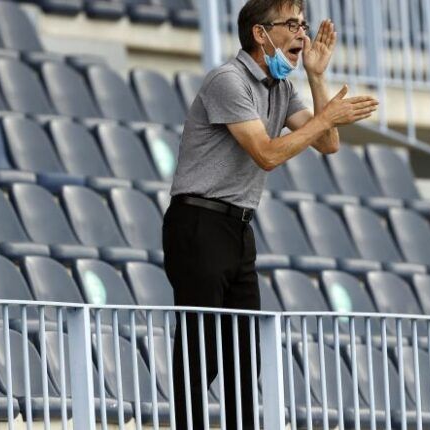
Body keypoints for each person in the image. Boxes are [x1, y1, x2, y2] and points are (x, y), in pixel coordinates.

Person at [162, 0, 378, 428]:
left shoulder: (281, 88)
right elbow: (266, 153)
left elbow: (327, 143)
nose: (302, 34)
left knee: (244, 354)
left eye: (303, 24)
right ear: (261, 35)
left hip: (239, 226)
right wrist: (328, 115)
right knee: (200, 351)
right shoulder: (228, 80)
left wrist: (317, 78)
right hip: (199, 222)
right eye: (291, 25)